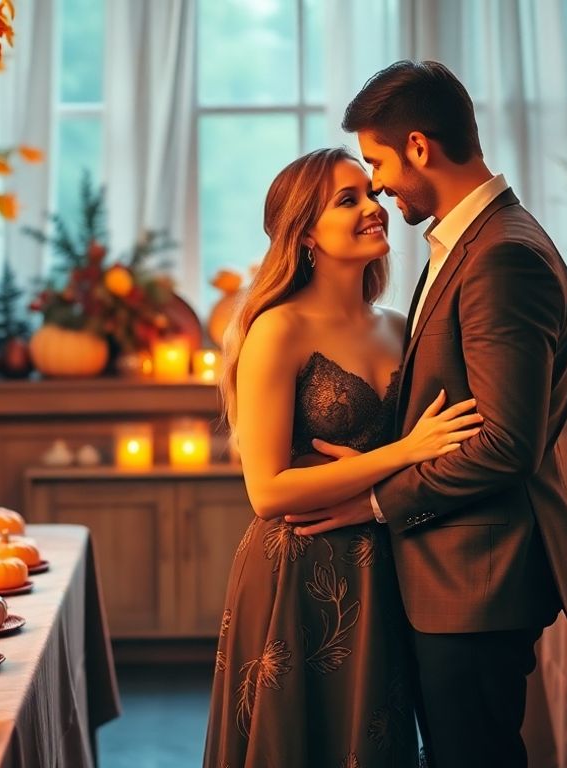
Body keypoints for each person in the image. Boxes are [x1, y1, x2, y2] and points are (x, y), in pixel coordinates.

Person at [285, 60, 567, 766]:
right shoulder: (471, 243)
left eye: (379, 162)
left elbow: (506, 444)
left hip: (476, 580)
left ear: (420, 147)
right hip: (454, 576)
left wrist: (378, 500)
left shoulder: (500, 258)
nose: (380, 186)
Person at [203, 146, 482, 768]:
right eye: (347, 200)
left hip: (387, 563)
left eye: (371, 194)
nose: (372, 209)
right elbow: (268, 491)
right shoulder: (277, 328)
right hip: (298, 570)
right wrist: (404, 452)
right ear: (303, 232)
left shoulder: (396, 325)